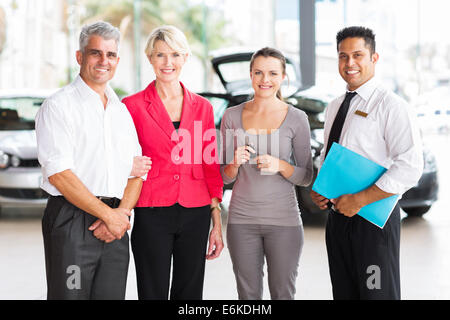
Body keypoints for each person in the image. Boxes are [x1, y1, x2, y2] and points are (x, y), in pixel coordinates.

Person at [35, 21, 147, 300]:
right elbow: (59, 174)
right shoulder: (59, 105)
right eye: (95, 53)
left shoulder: (121, 112)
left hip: (115, 223)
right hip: (73, 222)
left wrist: (120, 215)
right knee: (70, 295)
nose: (103, 61)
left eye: (110, 55)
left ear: (117, 61)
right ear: (80, 56)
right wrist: (109, 216)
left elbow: (138, 171)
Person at [310, 26, 423, 300]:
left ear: (374, 58)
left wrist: (360, 199)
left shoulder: (391, 106)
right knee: (344, 292)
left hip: (372, 222)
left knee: (376, 294)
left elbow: (410, 166)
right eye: (343, 56)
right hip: (337, 219)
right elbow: (330, 153)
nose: (350, 64)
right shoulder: (335, 105)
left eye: (358, 55)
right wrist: (319, 186)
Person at [122, 25, 224, 300]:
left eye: (175, 55)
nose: (168, 62)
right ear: (150, 58)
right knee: (152, 289)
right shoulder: (131, 106)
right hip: (151, 208)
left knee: (190, 293)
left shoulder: (203, 106)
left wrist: (216, 220)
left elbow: (209, 165)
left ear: (186, 58)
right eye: (160, 55)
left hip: (196, 211)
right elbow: (120, 156)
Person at [220, 47, 314, 300]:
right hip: (241, 223)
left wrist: (281, 165)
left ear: (283, 77)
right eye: (259, 73)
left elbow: (307, 176)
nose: (265, 80)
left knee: (283, 294)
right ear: (250, 75)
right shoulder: (231, 116)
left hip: (284, 223)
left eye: (273, 73)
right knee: (247, 296)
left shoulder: (297, 118)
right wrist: (234, 164)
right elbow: (224, 177)